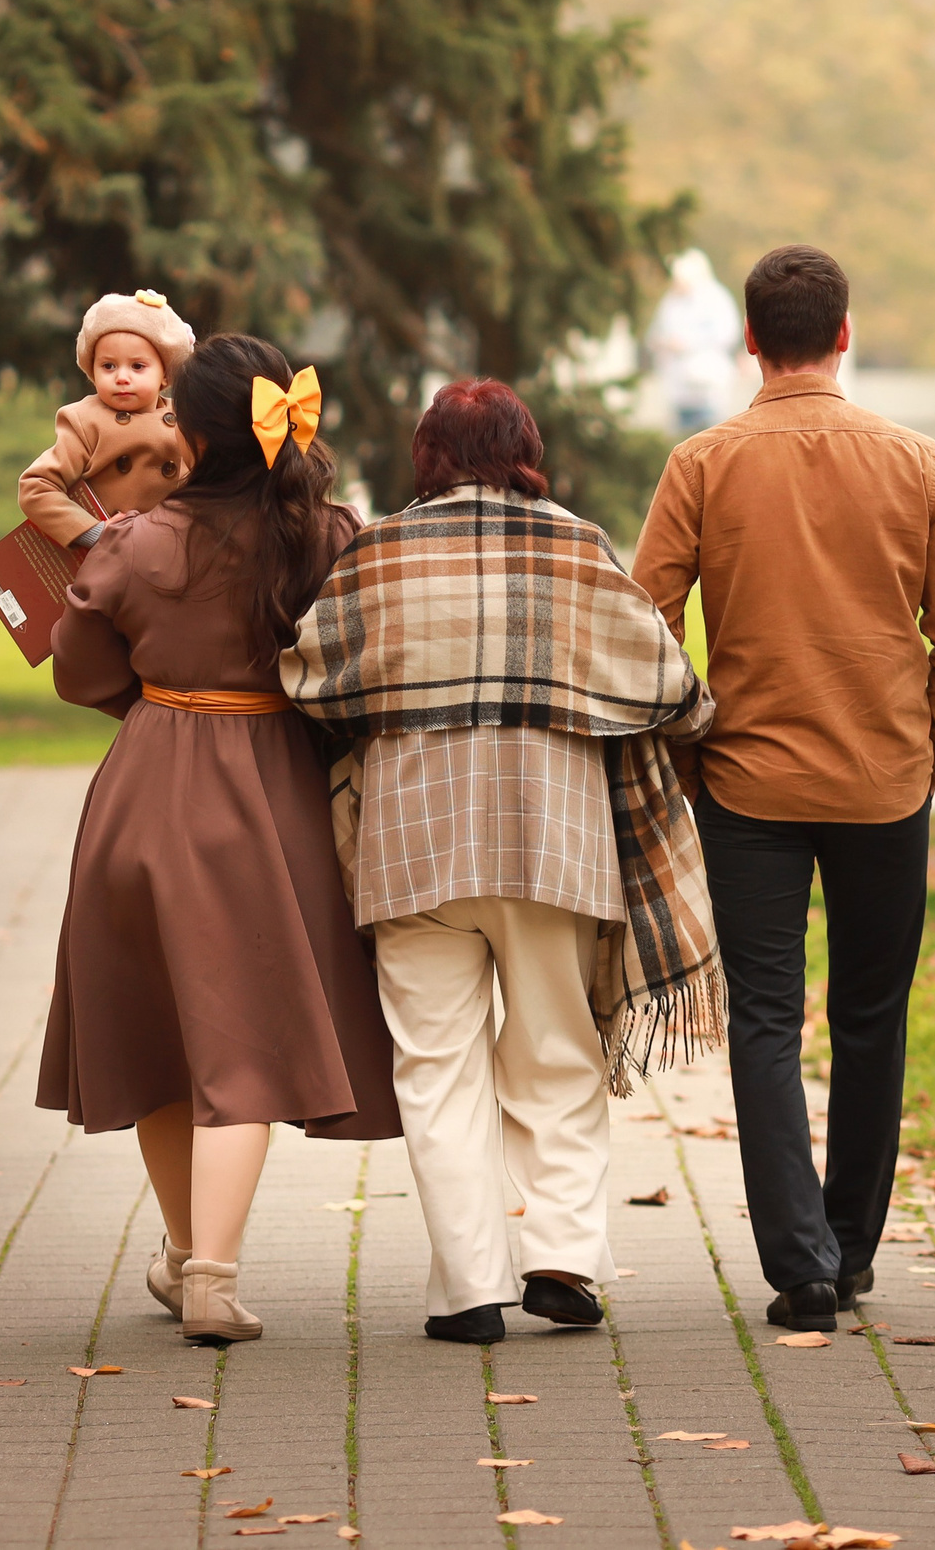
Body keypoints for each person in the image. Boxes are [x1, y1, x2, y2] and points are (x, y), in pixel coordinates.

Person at [282, 380, 723, 1346]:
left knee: (436, 1071)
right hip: (551, 840)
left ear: (428, 455)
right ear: (527, 449)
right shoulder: (576, 547)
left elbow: (307, 679)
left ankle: (468, 1290)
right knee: (558, 1054)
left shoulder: (380, 555)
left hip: (412, 848)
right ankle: (562, 1255)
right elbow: (670, 688)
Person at [630, 244, 935, 1334]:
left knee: (766, 1019)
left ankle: (801, 1264)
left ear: (748, 339)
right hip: (885, 779)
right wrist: (927, 752)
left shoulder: (701, 462)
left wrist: (692, 748)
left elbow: (646, 624)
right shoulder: (921, 464)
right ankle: (857, 1241)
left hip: (747, 784)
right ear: (843, 335)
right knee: (872, 1014)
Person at [36, 333, 401, 1345]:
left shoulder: (130, 543)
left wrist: (156, 699)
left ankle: (190, 1252)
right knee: (241, 1034)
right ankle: (209, 1270)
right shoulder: (329, 533)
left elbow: (77, 673)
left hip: (147, 786)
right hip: (272, 788)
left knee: (160, 1034)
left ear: (186, 431)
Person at [18, 290, 198, 565]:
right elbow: (35, 486)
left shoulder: (187, 417)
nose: (122, 377)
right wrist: (95, 532)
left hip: (174, 559)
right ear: (92, 371)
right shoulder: (84, 420)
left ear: (165, 374)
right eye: (108, 366)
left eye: (138, 366)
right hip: (110, 564)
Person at [646, 249, 745, 435]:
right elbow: (654, 334)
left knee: (712, 439)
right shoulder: (670, 302)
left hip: (708, 386)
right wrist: (664, 343)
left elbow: (727, 334)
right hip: (678, 389)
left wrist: (688, 343)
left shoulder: (716, 298)